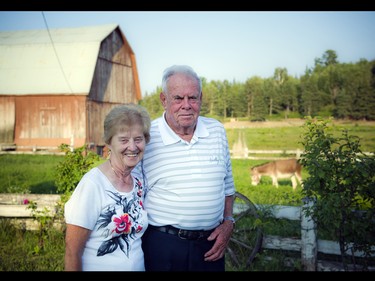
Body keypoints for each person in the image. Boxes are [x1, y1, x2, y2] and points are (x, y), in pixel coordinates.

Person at [138, 65, 236, 271]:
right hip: (163, 244)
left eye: (193, 98)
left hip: (211, 244)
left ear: (201, 98)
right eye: (178, 98)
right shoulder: (146, 136)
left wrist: (228, 222)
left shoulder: (217, 130)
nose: (187, 105)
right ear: (163, 100)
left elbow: (228, 185)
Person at [64, 103, 151, 271]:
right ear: (109, 143)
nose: (132, 147)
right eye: (124, 140)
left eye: (138, 139)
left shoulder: (138, 184)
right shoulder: (93, 184)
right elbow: (72, 251)